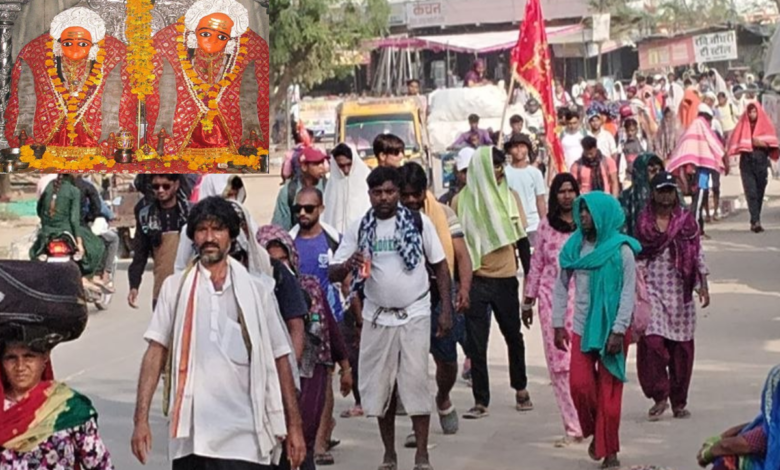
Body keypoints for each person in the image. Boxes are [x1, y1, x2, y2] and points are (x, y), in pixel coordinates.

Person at [131, 196, 306, 470]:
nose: (209, 237)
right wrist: (140, 420)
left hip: (245, 436)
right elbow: (155, 353)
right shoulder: (175, 288)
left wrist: (294, 427)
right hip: (191, 437)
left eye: (218, 229)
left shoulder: (258, 290)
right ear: (193, 237)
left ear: (231, 237)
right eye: (202, 230)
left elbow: (280, 359)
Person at [328, 166, 452, 470]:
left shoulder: (418, 222)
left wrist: (446, 309)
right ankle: (389, 453)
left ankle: (422, 454)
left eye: (389, 191)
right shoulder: (359, 227)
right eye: (377, 192)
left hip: (416, 313)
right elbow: (332, 272)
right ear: (369, 194)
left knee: (415, 383)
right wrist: (348, 263)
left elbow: (440, 267)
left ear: (398, 192)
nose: (384, 198)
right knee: (382, 388)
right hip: (377, 316)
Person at [553, 191, 640, 469]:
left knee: (610, 396)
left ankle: (609, 450)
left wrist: (617, 329)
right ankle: (595, 434)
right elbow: (561, 285)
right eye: (582, 211)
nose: (583, 217)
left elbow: (628, 293)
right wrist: (557, 323)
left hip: (613, 330)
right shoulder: (574, 248)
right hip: (582, 328)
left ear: (603, 215)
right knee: (580, 386)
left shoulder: (622, 250)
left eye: (589, 212)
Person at [257, 224, 352, 470]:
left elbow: (330, 326)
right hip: (273, 376)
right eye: (271, 260)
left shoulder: (310, 286)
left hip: (312, 373)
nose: (279, 265)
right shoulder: (255, 293)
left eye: (283, 258)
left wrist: (345, 366)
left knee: (303, 439)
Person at [454, 147, 532, 419]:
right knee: (476, 343)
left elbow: (521, 239)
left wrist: (529, 284)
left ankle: (521, 388)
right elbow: (458, 246)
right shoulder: (460, 202)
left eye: (501, 165)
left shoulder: (510, 198)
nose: (499, 171)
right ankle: (480, 400)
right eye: (494, 165)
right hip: (476, 279)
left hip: (505, 279)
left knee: (513, 335)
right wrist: (460, 285)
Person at [398, 162, 472, 444]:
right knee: (412, 365)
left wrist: (463, 289)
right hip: (407, 300)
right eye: (405, 195)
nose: (411, 201)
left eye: (416, 194)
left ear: (425, 191)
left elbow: (462, 255)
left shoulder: (444, 214)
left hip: (441, 296)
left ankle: (442, 397)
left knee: (447, 361)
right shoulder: (389, 220)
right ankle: (418, 428)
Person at [635, 171, 709, 422]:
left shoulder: (687, 221)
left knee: (682, 351)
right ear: (653, 193)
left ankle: (679, 401)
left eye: (669, 190)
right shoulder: (644, 224)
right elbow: (638, 256)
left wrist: (703, 284)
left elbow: (697, 252)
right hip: (652, 290)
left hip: (681, 294)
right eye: (661, 190)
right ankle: (660, 395)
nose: (665, 195)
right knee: (653, 342)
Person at [522, 174, 584, 447]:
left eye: (571, 190)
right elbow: (536, 265)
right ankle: (573, 427)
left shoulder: (587, 224)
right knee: (560, 367)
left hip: (584, 301)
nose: (567, 196)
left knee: (584, 363)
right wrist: (528, 299)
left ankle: (589, 419)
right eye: (562, 191)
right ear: (554, 195)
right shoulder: (546, 226)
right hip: (552, 302)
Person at [0, 338, 114, 470]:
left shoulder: (69, 408)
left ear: (44, 358)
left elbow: (100, 465)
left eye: (29, 357)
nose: (20, 366)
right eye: (11, 358)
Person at [697, 364, 779, 470]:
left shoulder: (772, 432)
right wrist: (721, 437)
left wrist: (708, 452)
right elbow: (754, 425)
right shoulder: (773, 423)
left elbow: (728, 446)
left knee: (729, 458)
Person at [30, 175, 105, 289]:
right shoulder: (73, 191)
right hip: (67, 232)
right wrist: (79, 243)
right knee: (98, 246)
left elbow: (39, 211)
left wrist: (47, 224)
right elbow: (74, 219)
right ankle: (86, 277)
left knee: (35, 254)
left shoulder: (49, 187)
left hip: (46, 234)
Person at [128, 174, 189, 310]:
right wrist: (134, 285)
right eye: (156, 187)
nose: (160, 190)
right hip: (162, 288)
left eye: (166, 186)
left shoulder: (190, 214)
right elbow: (140, 253)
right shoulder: (146, 217)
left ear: (176, 185)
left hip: (189, 289)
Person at [725, 102, 779, 233]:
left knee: (760, 192)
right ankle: (755, 221)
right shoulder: (743, 125)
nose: (751, 114)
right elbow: (734, 140)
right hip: (747, 162)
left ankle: (756, 218)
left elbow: (774, 145)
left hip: (761, 161)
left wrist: (761, 143)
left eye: (754, 112)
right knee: (751, 192)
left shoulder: (766, 125)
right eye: (749, 112)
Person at [504, 134, 547, 275]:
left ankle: (528, 296)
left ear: (528, 149)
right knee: (513, 268)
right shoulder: (504, 173)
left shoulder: (535, 173)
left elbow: (540, 199)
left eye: (522, 146)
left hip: (532, 224)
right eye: (515, 147)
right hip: (512, 225)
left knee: (531, 268)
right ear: (510, 150)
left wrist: (545, 223)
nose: (519, 150)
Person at [273, 147, 329, 231]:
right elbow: (280, 227)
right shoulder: (289, 191)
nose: (322, 167)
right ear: (304, 167)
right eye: (316, 164)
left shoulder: (328, 188)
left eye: (322, 163)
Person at [323, 143, 371, 234]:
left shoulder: (366, 178)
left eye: (349, 164)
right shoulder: (331, 183)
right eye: (341, 166)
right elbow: (327, 215)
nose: (346, 170)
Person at [620, 153, 665, 237]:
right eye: (653, 170)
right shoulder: (626, 197)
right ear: (641, 172)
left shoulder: (669, 193)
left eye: (660, 170)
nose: (657, 174)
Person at [617, 118, 648, 187]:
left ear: (636, 130)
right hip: (628, 178)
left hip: (641, 176)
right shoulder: (622, 145)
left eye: (632, 130)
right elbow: (621, 163)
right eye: (628, 131)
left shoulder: (642, 143)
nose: (630, 133)